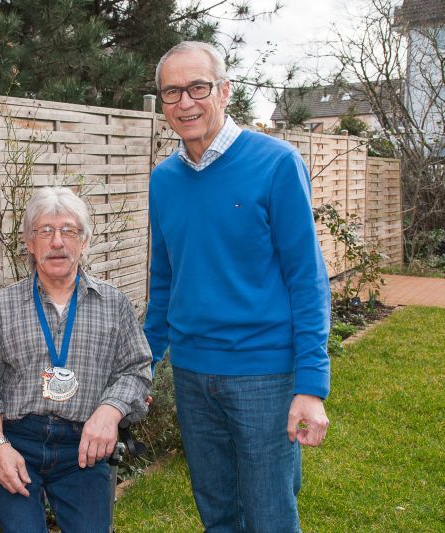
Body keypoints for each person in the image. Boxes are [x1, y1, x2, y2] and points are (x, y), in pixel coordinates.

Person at [144, 41, 331, 532]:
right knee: (218, 515)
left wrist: (311, 386)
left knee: (269, 515)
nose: (184, 102)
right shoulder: (163, 181)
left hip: (264, 376)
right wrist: (142, 364)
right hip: (190, 373)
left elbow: (307, 280)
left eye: (197, 88)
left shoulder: (276, 164)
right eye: (171, 92)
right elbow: (164, 280)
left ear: (224, 91)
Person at [0, 187, 152, 533]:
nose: (57, 242)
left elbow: (137, 369)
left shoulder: (113, 305)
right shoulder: (1, 307)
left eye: (69, 231)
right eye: (46, 231)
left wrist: (110, 410)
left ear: (84, 242)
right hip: (17, 443)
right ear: (29, 241)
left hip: (83, 447)